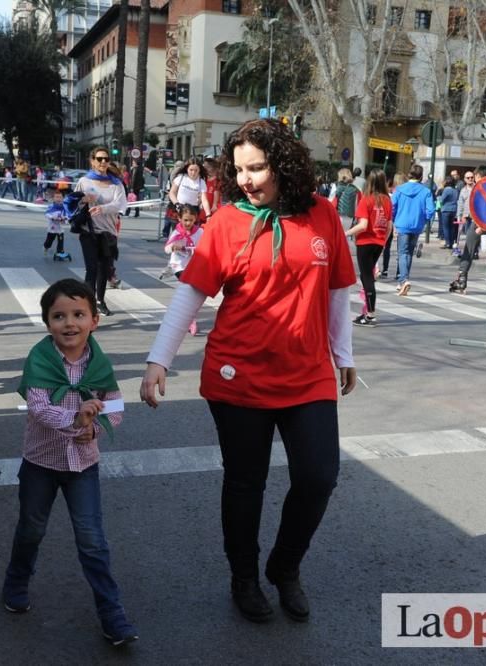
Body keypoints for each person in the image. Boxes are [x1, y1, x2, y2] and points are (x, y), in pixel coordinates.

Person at [139, 118, 356, 624]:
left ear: (284, 165)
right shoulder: (226, 222)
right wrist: (158, 361)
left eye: (256, 168)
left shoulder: (323, 214)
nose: (246, 180)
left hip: (308, 374)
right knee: (245, 484)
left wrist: (342, 354)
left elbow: (338, 290)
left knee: (319, 476)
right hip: (239, 375)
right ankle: (244, 577)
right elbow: (190, 293)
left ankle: (285, 567)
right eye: (238, 170)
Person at [3, 278, 138, 647]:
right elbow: (38, 406)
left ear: (94, 320)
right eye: (59, 316)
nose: (69, 323)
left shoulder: (99, 362)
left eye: (79, 314)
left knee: (93, 541)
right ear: (48, 322)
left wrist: (94, 431)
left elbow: (114, 404)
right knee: (31, 529)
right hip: (41, 463)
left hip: (84, 464)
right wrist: (75, 420)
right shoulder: (40, 358)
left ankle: (111, 612)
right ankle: (16, 580)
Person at [75, 146, 127, 317]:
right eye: (99, 159)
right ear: (92, 161)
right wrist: (83, 200)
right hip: (88, 231)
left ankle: (100, 301)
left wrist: (102, 208)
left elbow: (120, 205)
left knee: (104, 269)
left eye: (106, 159)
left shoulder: (116, 184)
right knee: (91, 268)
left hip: (108, 232)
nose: (103, 162)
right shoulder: (84, 181)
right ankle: (88, 305)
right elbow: (73, 203)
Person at [345, 169, 391, 326]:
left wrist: (345, 233)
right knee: (368, 276)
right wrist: (383, 241)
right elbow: (390, 225)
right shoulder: (387, 200)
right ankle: (367, 313)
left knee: (366, 277)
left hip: (365, 242)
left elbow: (363, 225)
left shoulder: (366, 200)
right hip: (378, 242)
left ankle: (370, 314)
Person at [390, 164, 435, 297]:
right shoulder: (426, 191)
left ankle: (403, 280)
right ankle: (403, 280)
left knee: (402, 253)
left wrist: (394, 219)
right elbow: (431, 210)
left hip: (402, 224)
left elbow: (392, 207)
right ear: (421, 176)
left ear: (409, 174)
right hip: (417, 225)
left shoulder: (399, 189)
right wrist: (424, 219)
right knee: (409, 253)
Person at [164, 203, 203, 335]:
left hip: (193, 266)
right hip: (179, 266)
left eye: (191, 220)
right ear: (180, 219)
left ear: (195, 219)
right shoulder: (176, 232)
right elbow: (167, 248)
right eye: (185, 220)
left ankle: (187, 316)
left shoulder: (199, 232)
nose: (188, 223)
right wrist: (174, 246)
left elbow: (204, 248)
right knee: (188, 288)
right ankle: (190, 319)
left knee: (190, 293)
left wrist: (192, 249)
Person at [168, 157, 212, 226]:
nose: (193, 173)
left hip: (192, 211)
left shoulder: (201, 182)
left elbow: (204, 199)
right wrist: (176, 204)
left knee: (192, 234)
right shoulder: (181, 178)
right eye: (191, 170)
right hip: (179, 208)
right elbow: (172, 193)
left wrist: (208, 214)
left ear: (199, 170)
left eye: (196, 170)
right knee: (178, 233)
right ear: (187, 169)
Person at [380, 173, 404, 277]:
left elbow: (391, 208)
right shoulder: (404, 193)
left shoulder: (393, 194)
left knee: (387, 247)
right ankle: (399, 272)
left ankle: (385, 270)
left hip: (392, 221)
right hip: (401, 222)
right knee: (401, 249)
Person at [42, 189, 67, 257]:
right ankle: (46, 247)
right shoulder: (51, 206)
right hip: (52, 227)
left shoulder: (64, 207)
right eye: (57, 197)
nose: (58, 199)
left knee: (61, 240)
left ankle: (60, 252)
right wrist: (52, 217)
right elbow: (47, 214)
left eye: (60, 197)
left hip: (60, 227)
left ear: (63, 198)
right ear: (53, 198)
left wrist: (64, 219)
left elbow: (67, 216)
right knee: (49, 241)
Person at [437, 177, 460, 250]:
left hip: (446, 210)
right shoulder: (455, 190)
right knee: (452, 227)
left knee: (446, 227)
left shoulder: (446, 190)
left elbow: (441, 200)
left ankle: (447, 243)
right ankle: (452, 242)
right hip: (454, 210)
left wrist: (438, 197)